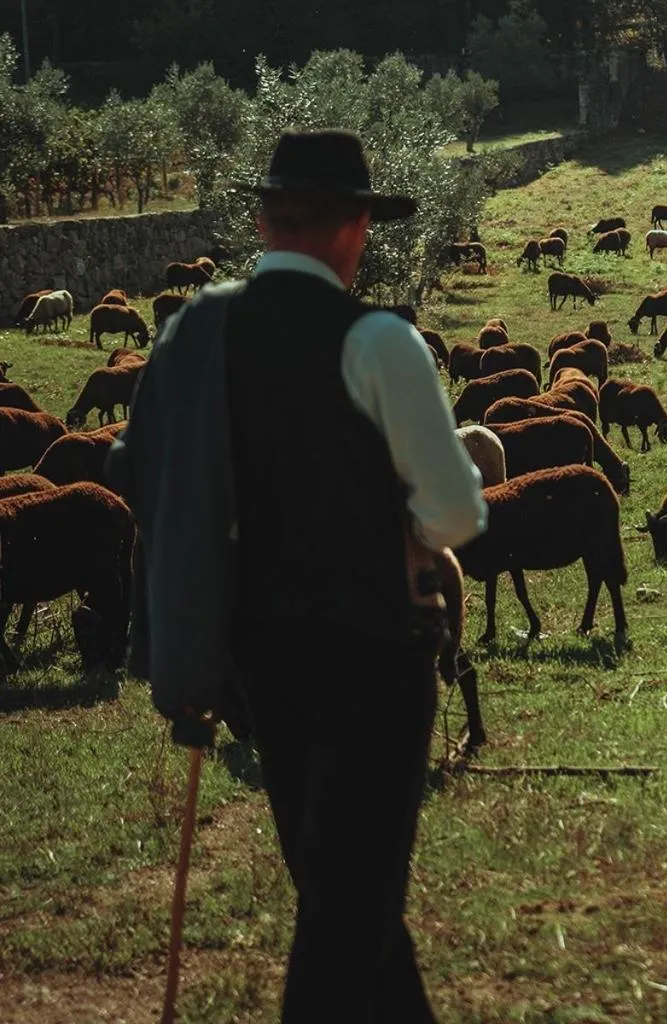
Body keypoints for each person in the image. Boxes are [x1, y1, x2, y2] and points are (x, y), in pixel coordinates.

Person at [111, 129, 487, 1022]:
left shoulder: (194, 330)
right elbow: (456, 516)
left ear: (265, 218)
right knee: (346, 916)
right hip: (373, 664)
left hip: (258, 668)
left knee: (341, 894)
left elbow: (138, 471)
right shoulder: (381, 342)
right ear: (356, 225)